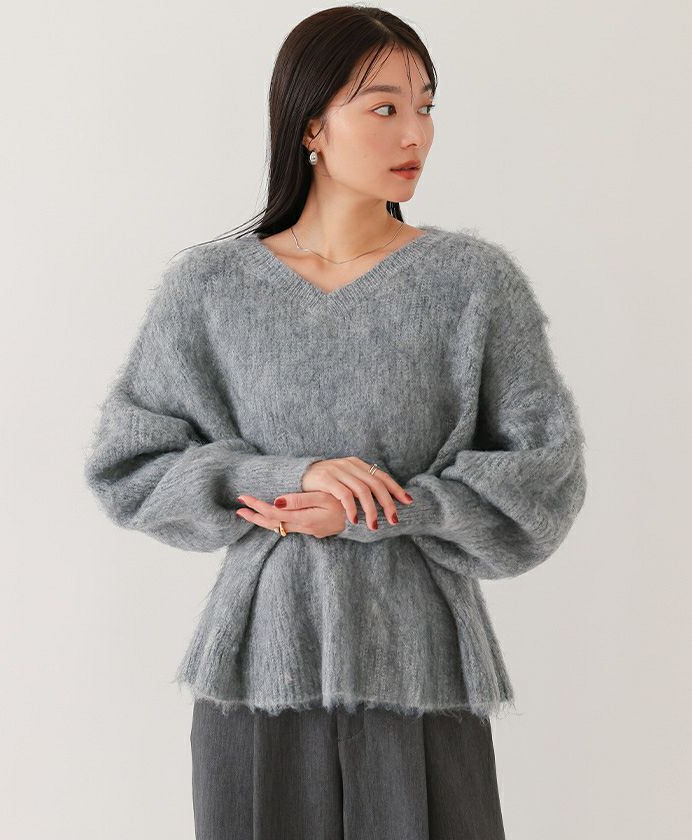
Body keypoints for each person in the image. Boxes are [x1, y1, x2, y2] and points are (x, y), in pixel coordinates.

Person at [84, 6, 587, 839]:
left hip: (424, 673)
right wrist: (290, 478)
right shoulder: (209, 288)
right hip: (257, 674)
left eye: (425, 106)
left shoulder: (472, 282)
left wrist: (385, 507)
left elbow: (544, 476)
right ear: (311, 125)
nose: (414, 133)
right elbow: (129, 466)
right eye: (384, 107)